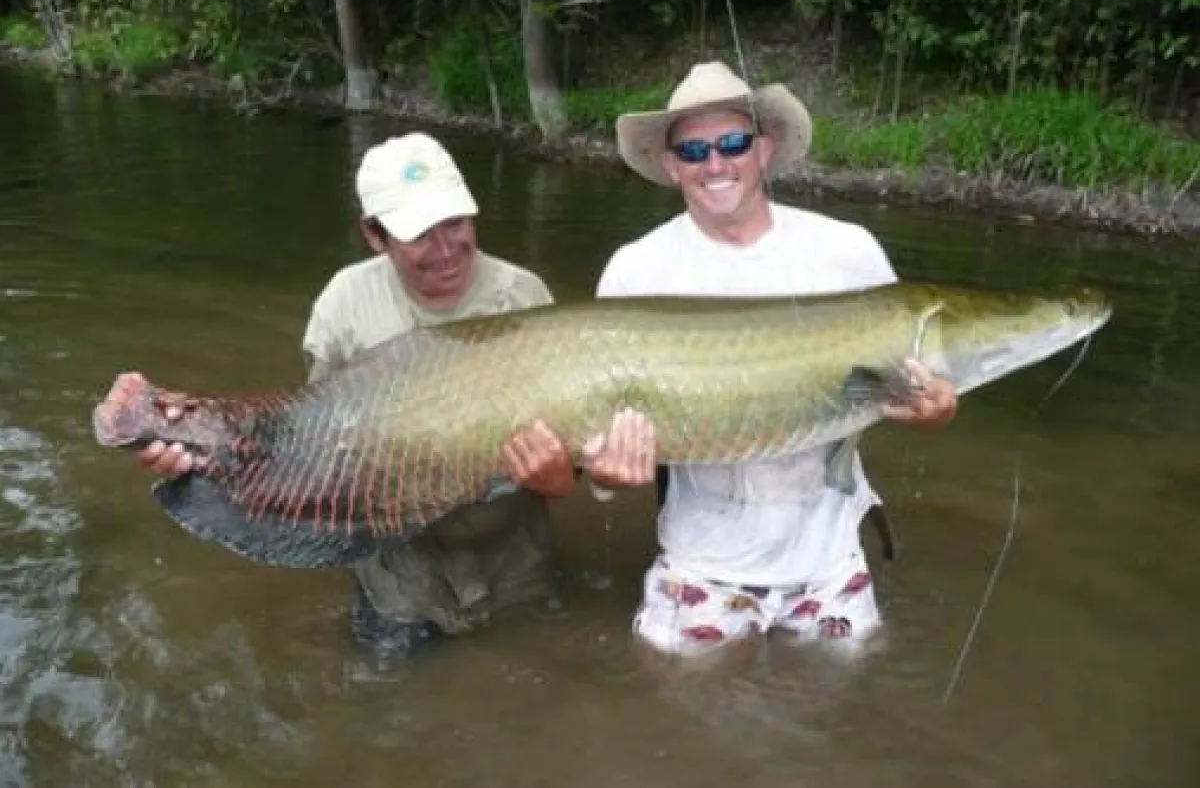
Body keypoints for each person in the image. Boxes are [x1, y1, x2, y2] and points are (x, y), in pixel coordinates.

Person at [512, 61, 958, 657]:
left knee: (850, 687)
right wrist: (606, 477)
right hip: (703, 554)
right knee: (676, 695)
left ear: (764, 149)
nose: (714, 164)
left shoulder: (848, 251)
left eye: (732, 143)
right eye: (694, 150)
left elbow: (913, 386)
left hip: (828, 548)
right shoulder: (635, 269)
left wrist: (936, 411)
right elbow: (604, 435)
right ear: (671, 166)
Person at [115, 131, 587, 657]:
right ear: (375, 236)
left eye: (455, 223)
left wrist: (559, 479)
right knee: (391, 692)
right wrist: (191, 451)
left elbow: (566, 447)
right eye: (420, 234)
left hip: (512, 549)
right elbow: (305, 445)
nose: (447, 248)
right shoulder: (346, 302)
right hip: (399, 561)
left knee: (533, 677)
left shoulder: (523, 295)